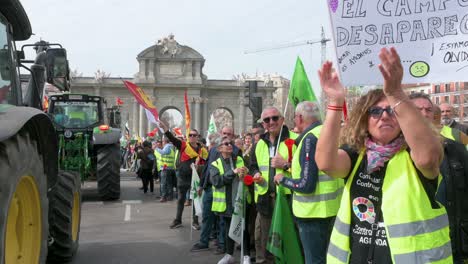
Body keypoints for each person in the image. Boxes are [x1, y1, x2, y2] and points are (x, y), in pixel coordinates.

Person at [316, 47, 452, 263]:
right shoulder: (356, 156)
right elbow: (325, 163)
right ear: (364, 119)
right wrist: (334, 102)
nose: (384, 116)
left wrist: (396, 94)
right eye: (375, 111)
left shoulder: (413, 155)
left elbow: (428, 158)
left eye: (392, 111)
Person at [273, 101, 343, 264]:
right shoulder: (330, 133)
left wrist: (282, 179)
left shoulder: (309, 139)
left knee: (314, 260)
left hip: (312, 213)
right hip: (332, 210)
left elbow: (306, 185)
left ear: (299, 118)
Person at [410, 93, 468, 263]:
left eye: (428, 109)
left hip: (452, 240)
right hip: (414, 242)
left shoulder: (455, 146)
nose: (424, 113)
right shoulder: (390, 152)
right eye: (417, 109)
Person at [250, 106, 297, 264]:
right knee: (264, 240)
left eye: (275, 118)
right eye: (267, 120)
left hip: (287, 199)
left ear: (282, 120)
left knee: (287, 239)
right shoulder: (259, 144)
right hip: (264, 199)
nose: (271, 122)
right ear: (263, 124)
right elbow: (253, 165)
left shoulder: (295, 139)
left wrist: (285, 165)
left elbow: (307, 170)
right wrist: (256, 174)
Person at [192, 126, 241, 254]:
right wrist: (201, 185)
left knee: (223, 221)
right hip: (209, 188)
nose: (226, 136)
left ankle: (222, 245)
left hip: (225, 190)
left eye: (229, 134)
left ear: (233, 135)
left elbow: (238, 170)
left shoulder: (235, 151)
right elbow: (208, 168)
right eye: (224, 133)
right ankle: (204, 241)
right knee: (207, 217)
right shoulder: (214, 149)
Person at [209, 136, 251, 264]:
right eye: (226, 144)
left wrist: (245, 172)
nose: (229, 145)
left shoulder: (239, 159)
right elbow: (217, 182)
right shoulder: (215, 164)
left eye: (231, 143)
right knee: (229, 229)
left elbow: (246, 176)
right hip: (227, 203)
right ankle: (229, 255)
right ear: (220, 148)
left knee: (243, 228)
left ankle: (246, 256)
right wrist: (232, 172)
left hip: (240, 200)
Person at [160, 121, 208, 229]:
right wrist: (165, 129)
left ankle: (195, 222)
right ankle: (178, 220)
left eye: (194, 135)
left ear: (198, 137)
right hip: (182, 177)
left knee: (195, 200)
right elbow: (172, 139)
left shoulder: (203, 150)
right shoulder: (183, 145)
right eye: (190, 135)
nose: (191, 137)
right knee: (181, 199)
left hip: (195, 178)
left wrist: (198, 168)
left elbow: (206, 166)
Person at [155, 136, 176, 202]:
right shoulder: (172, 146)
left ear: (164, 141)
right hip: (171, 167)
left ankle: (163, 197)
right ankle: (170, 196)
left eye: (162, 141)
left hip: (165, 168)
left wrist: (156, 149)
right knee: (169, 183)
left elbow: (164, 152)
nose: (162, 143)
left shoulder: (167, 146)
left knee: (163, 183)